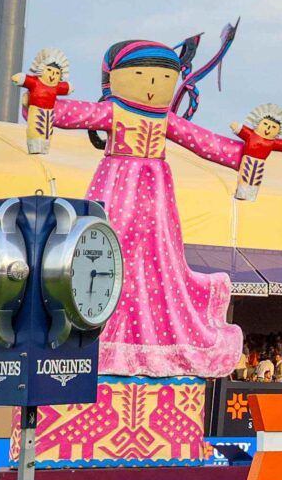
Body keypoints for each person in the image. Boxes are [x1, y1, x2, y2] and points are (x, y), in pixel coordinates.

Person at [42, 34, 267, 378]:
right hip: (116, 187)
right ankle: (101, 332)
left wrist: (248, 153)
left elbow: (205, 143)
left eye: (164, 79)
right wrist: (42, 101)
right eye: (144, 76)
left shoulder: (165, 121)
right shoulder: (115, 111)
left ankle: (150, 337)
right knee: (106, 254)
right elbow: (74, 114)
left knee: (158, 260)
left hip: (157, 197)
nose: (152, 86)